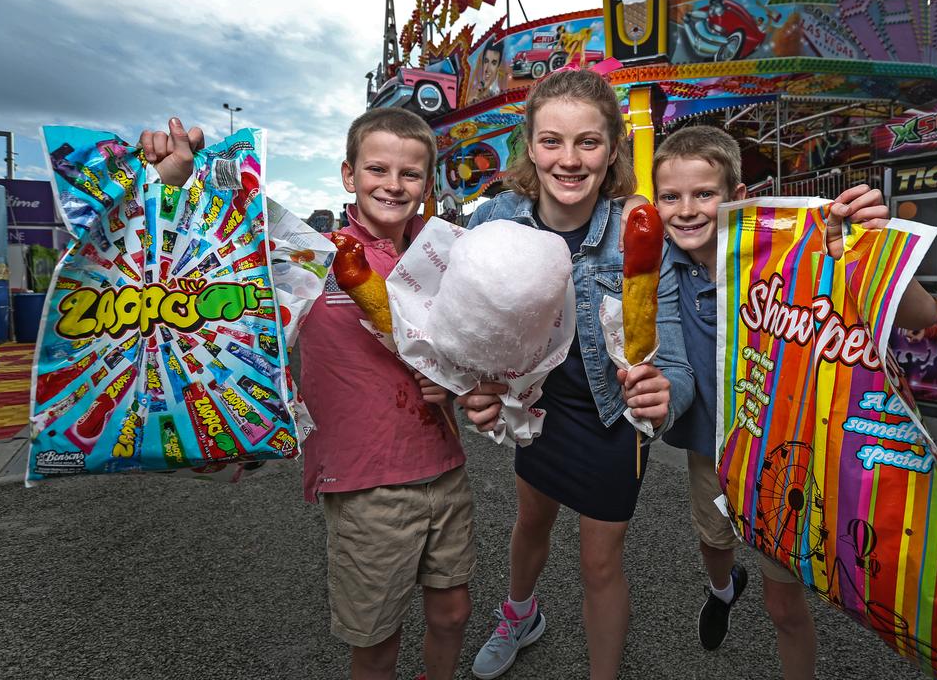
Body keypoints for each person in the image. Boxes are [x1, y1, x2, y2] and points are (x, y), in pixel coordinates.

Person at [141, 110, 474, 680]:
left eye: (410, 174)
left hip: (444, 466)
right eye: (376, 168)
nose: (393, 184)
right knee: (376, 641)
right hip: (365, 481)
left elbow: (476, 348)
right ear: (349, 175)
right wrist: (173, 182)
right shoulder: (309, 258)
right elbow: (207, 250)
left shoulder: (446, 259)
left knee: (452, 612)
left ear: (428, 184)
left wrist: (455, 380)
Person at [650, 124, 937, 680]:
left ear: (736, 197)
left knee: (783, 605)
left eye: (703, 194)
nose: (685, 211)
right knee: (713, 543)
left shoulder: (792, 250)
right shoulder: (659, 265)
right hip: (709, 450)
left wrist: (864, 246)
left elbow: (923, 317)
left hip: (777, 455)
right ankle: (721, 587)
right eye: (671, 196)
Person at [457, 68, 695, 680]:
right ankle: (519, 613)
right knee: (530, 521)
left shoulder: (640, 232)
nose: (569, 159)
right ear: (530, 146)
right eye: (552, 141)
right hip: (540, 409)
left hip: (613, 417)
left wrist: (666, 392)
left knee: (600, 563)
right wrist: (474, 389)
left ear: (613, 148)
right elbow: (454, 329)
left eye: (588, 142)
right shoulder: (496, 223)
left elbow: (672, 357)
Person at [471, 37, 504, 103]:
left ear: (498, 66)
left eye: (493, 63)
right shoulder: (478, 88)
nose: (487, 69)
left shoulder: (498, 91)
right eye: (486, 61)